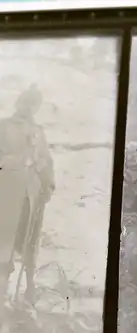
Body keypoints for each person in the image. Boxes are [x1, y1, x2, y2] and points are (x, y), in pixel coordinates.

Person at [0, 84, 55, 314]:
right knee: (5, 241)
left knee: (29, 240)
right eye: (26, 102)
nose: (29, 108)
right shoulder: (4, 126)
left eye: (34, 105)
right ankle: (2, 291)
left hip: (32, 195)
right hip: (7, 193)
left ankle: (29, 289)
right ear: (18, 103)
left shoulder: (38, 131)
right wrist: (20, 162)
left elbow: (45, 159)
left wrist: (47, 183)